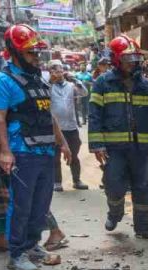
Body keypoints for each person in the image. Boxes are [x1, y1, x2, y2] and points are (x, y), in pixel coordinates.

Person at [0, 24, 70, 270]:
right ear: (13, 52)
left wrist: (62, 142)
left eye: (37, 53)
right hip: (21, 150)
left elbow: (48, 114)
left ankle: (32, 244)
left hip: (45, 150)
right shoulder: (2, 81)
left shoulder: (37, 79)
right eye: (30, 53)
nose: (36, 58)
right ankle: (16, 253)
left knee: (41, 204)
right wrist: (5, 151)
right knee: (21, 205)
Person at [88, 35, 148, 239]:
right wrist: (97, 144)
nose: (132, 63)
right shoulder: (103, 83)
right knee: (114, 185)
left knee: (143, 188)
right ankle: (115, 213)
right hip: (114, 149)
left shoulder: (145, 86)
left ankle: (143, 227)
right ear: (116, 59)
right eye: (127, 58)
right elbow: (94, 116)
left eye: (134, 58)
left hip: (140, 149)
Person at [48, 60, 88, 191]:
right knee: (55, 157)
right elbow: (43, 93)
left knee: (74, 155)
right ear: (50, 72)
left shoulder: (71, 85)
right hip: (55, 128)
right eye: (54, 71)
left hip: (71, 127)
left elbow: (84, 93)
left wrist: (75, 79)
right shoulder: (48, 86)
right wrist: (50, 81)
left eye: (60, 71)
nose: (58, 74)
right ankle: (57, 182)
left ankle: (77, 180)